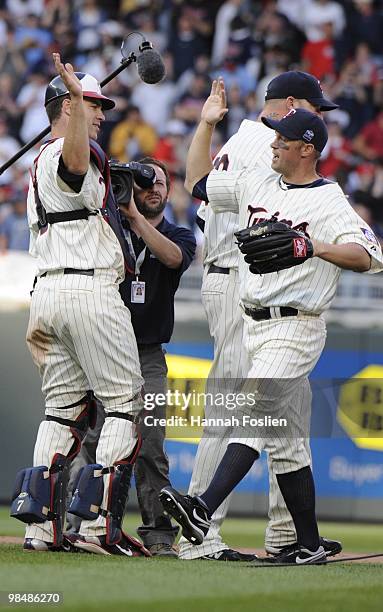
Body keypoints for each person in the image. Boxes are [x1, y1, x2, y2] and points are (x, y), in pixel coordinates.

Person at [160, 79, 383, 564]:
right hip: (252, 318)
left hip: (296, 323)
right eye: (275, 137)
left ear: (307, 149)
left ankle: (200, 508)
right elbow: (197, 182)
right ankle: (305, 543)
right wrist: (204, 125)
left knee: (254, 410)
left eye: (283, 140)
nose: (273, 143)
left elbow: (370, 256)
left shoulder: (328, 199)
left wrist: (314, 245)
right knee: (287, 441)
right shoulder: (258, 181)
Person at [10, 54, 150, 558]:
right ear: (67, 106)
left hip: (48, 293)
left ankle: (41, 527)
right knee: (124, 406)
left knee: (63, 413)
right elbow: (74, 164)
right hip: (88, 291)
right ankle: (96, 528)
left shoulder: (41, 160)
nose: (101, 114)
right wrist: (73, 101)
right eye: (92, 104)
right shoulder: (69, 150)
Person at [67, 157, 196, 556]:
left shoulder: (179, 234)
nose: (154, 188)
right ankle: (79, 524)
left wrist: (136, 219)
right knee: (93, 438)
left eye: (160, 182)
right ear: (131, 188)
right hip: (105, 350)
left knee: (151, 442)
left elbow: (174, 258)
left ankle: (158, 535)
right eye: (144, 183)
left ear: (169, 190)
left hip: (148, 355)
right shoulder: (110, 230)